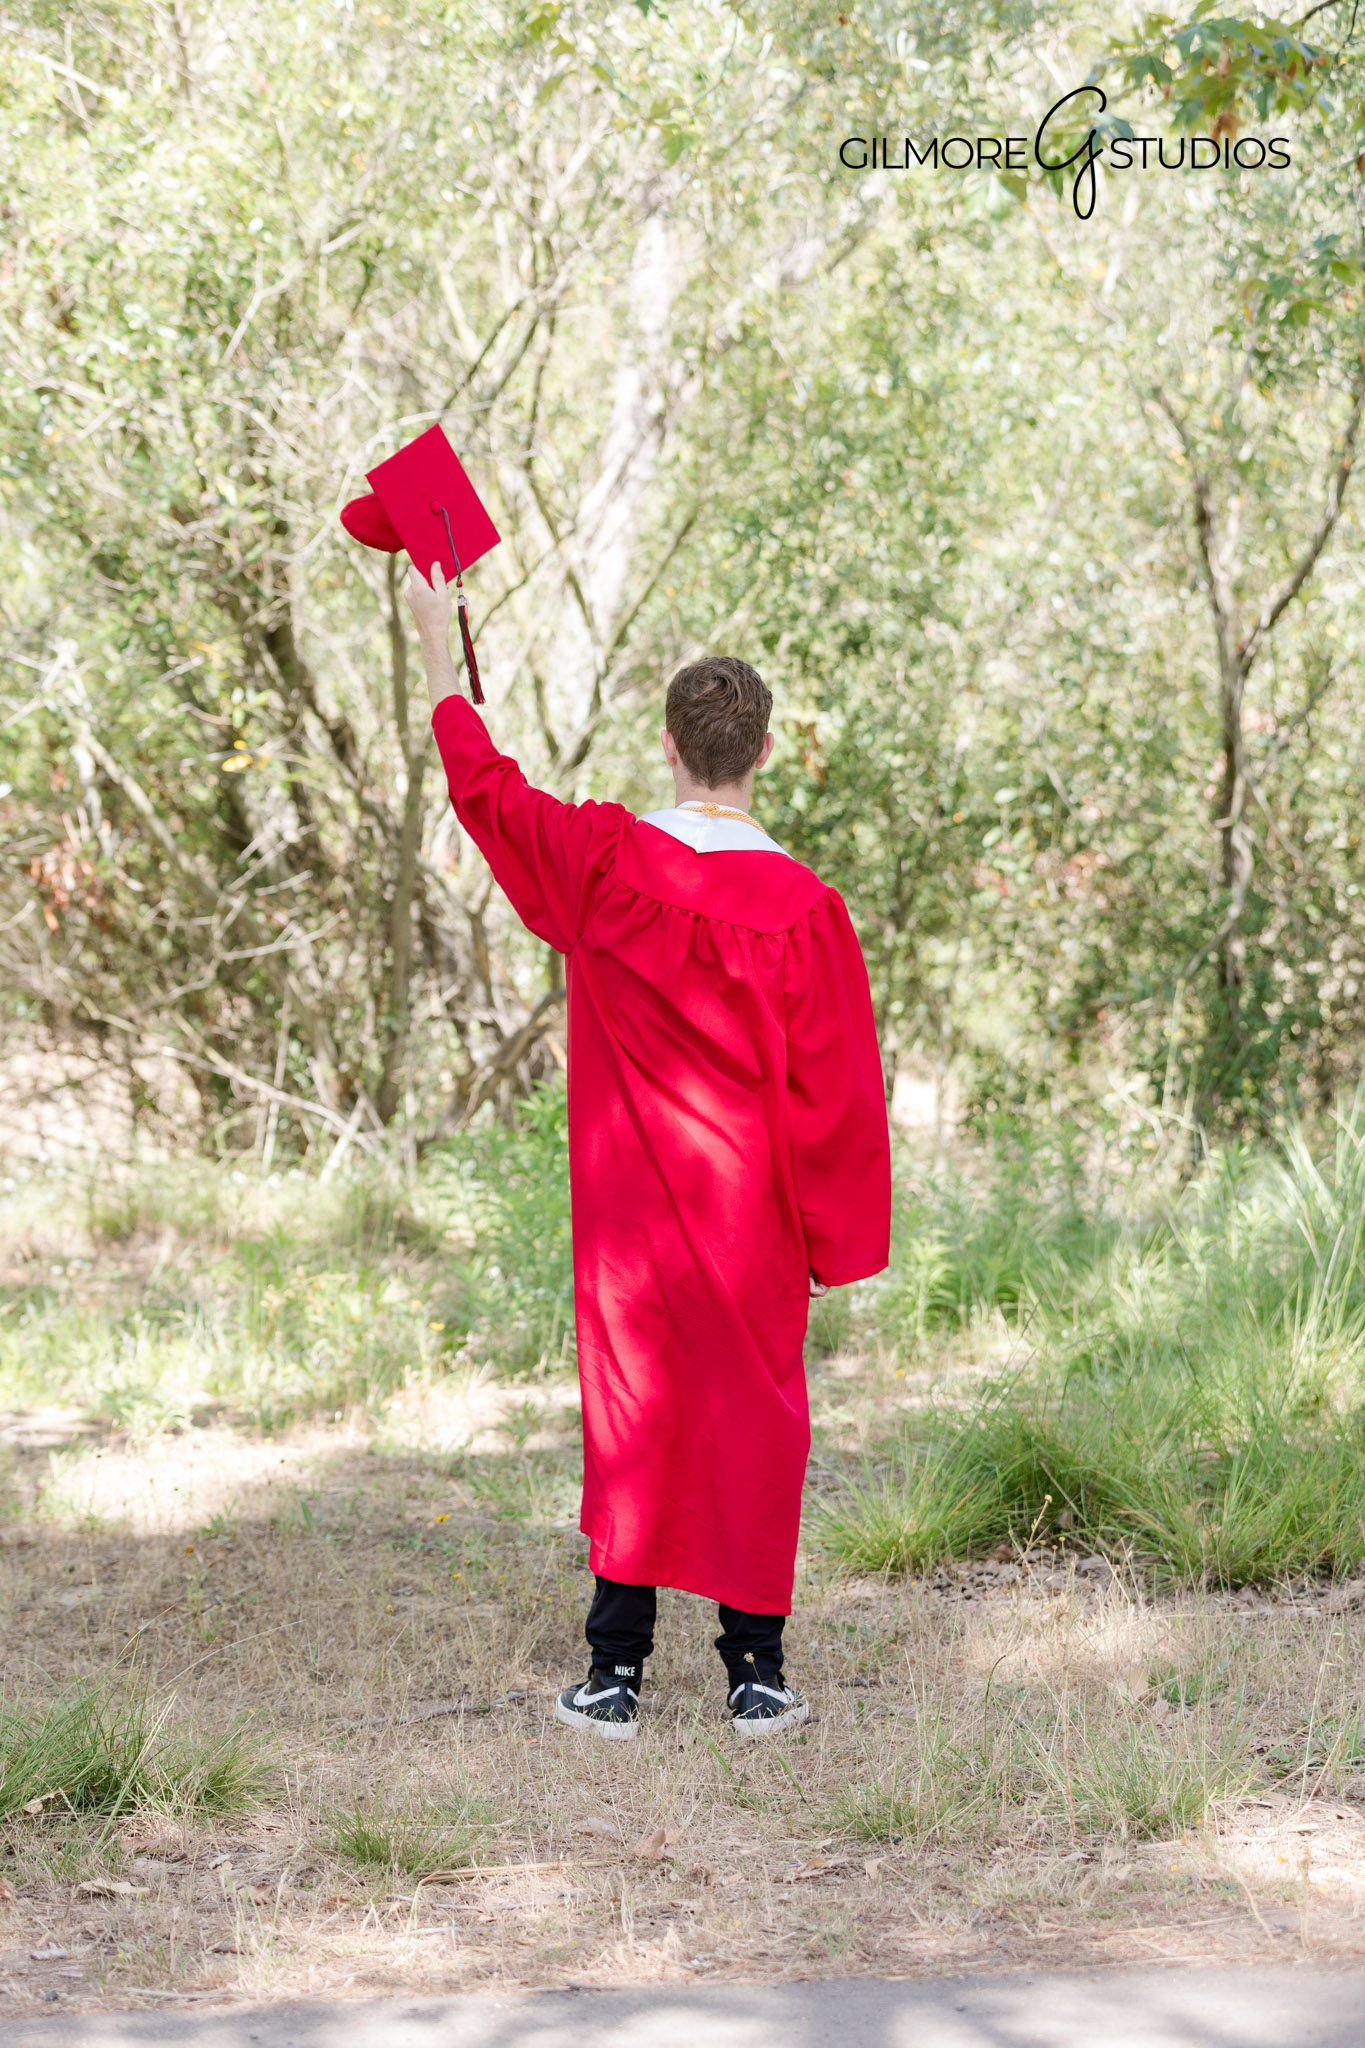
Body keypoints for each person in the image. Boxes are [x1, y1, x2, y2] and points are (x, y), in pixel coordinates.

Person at [407, 564, 891, 1740]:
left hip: (634, 1223)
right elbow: (837, 1094)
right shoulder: (806, 908)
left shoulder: (609, 862)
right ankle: (756, 1672)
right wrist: (832, 1237)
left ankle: (613, 1673)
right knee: (755, 1417)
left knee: (637, 1412)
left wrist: (440, 651)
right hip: (755, 1222)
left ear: (669, 744)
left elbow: (489, 789)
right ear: (761, 752)